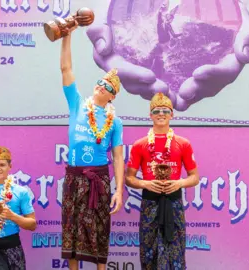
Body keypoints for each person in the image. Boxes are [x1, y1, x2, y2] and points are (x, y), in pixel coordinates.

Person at [59, 23, 125, 270]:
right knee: (71, 229)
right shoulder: (77, 104)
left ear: (112, 96)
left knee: (98, 230)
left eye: (108, 86)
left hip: (99, 179)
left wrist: (119, 191)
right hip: (74, 176)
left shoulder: (114, 121)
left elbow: (118, 158)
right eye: (100, 81)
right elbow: (66, 68)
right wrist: (67, 37)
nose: (102, 86)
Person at [126, 93, 200, 269]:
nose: (161, 114)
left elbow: (195, 177)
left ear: (172, 114)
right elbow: (129, 178)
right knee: (148, 252)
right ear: (150, 115)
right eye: (156, 111)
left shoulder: (183, 144)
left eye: (165, 111)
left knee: (175, 253)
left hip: (173, 204)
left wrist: (179, 183)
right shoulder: (139, 145)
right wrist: (145, 183)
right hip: (149, 203)